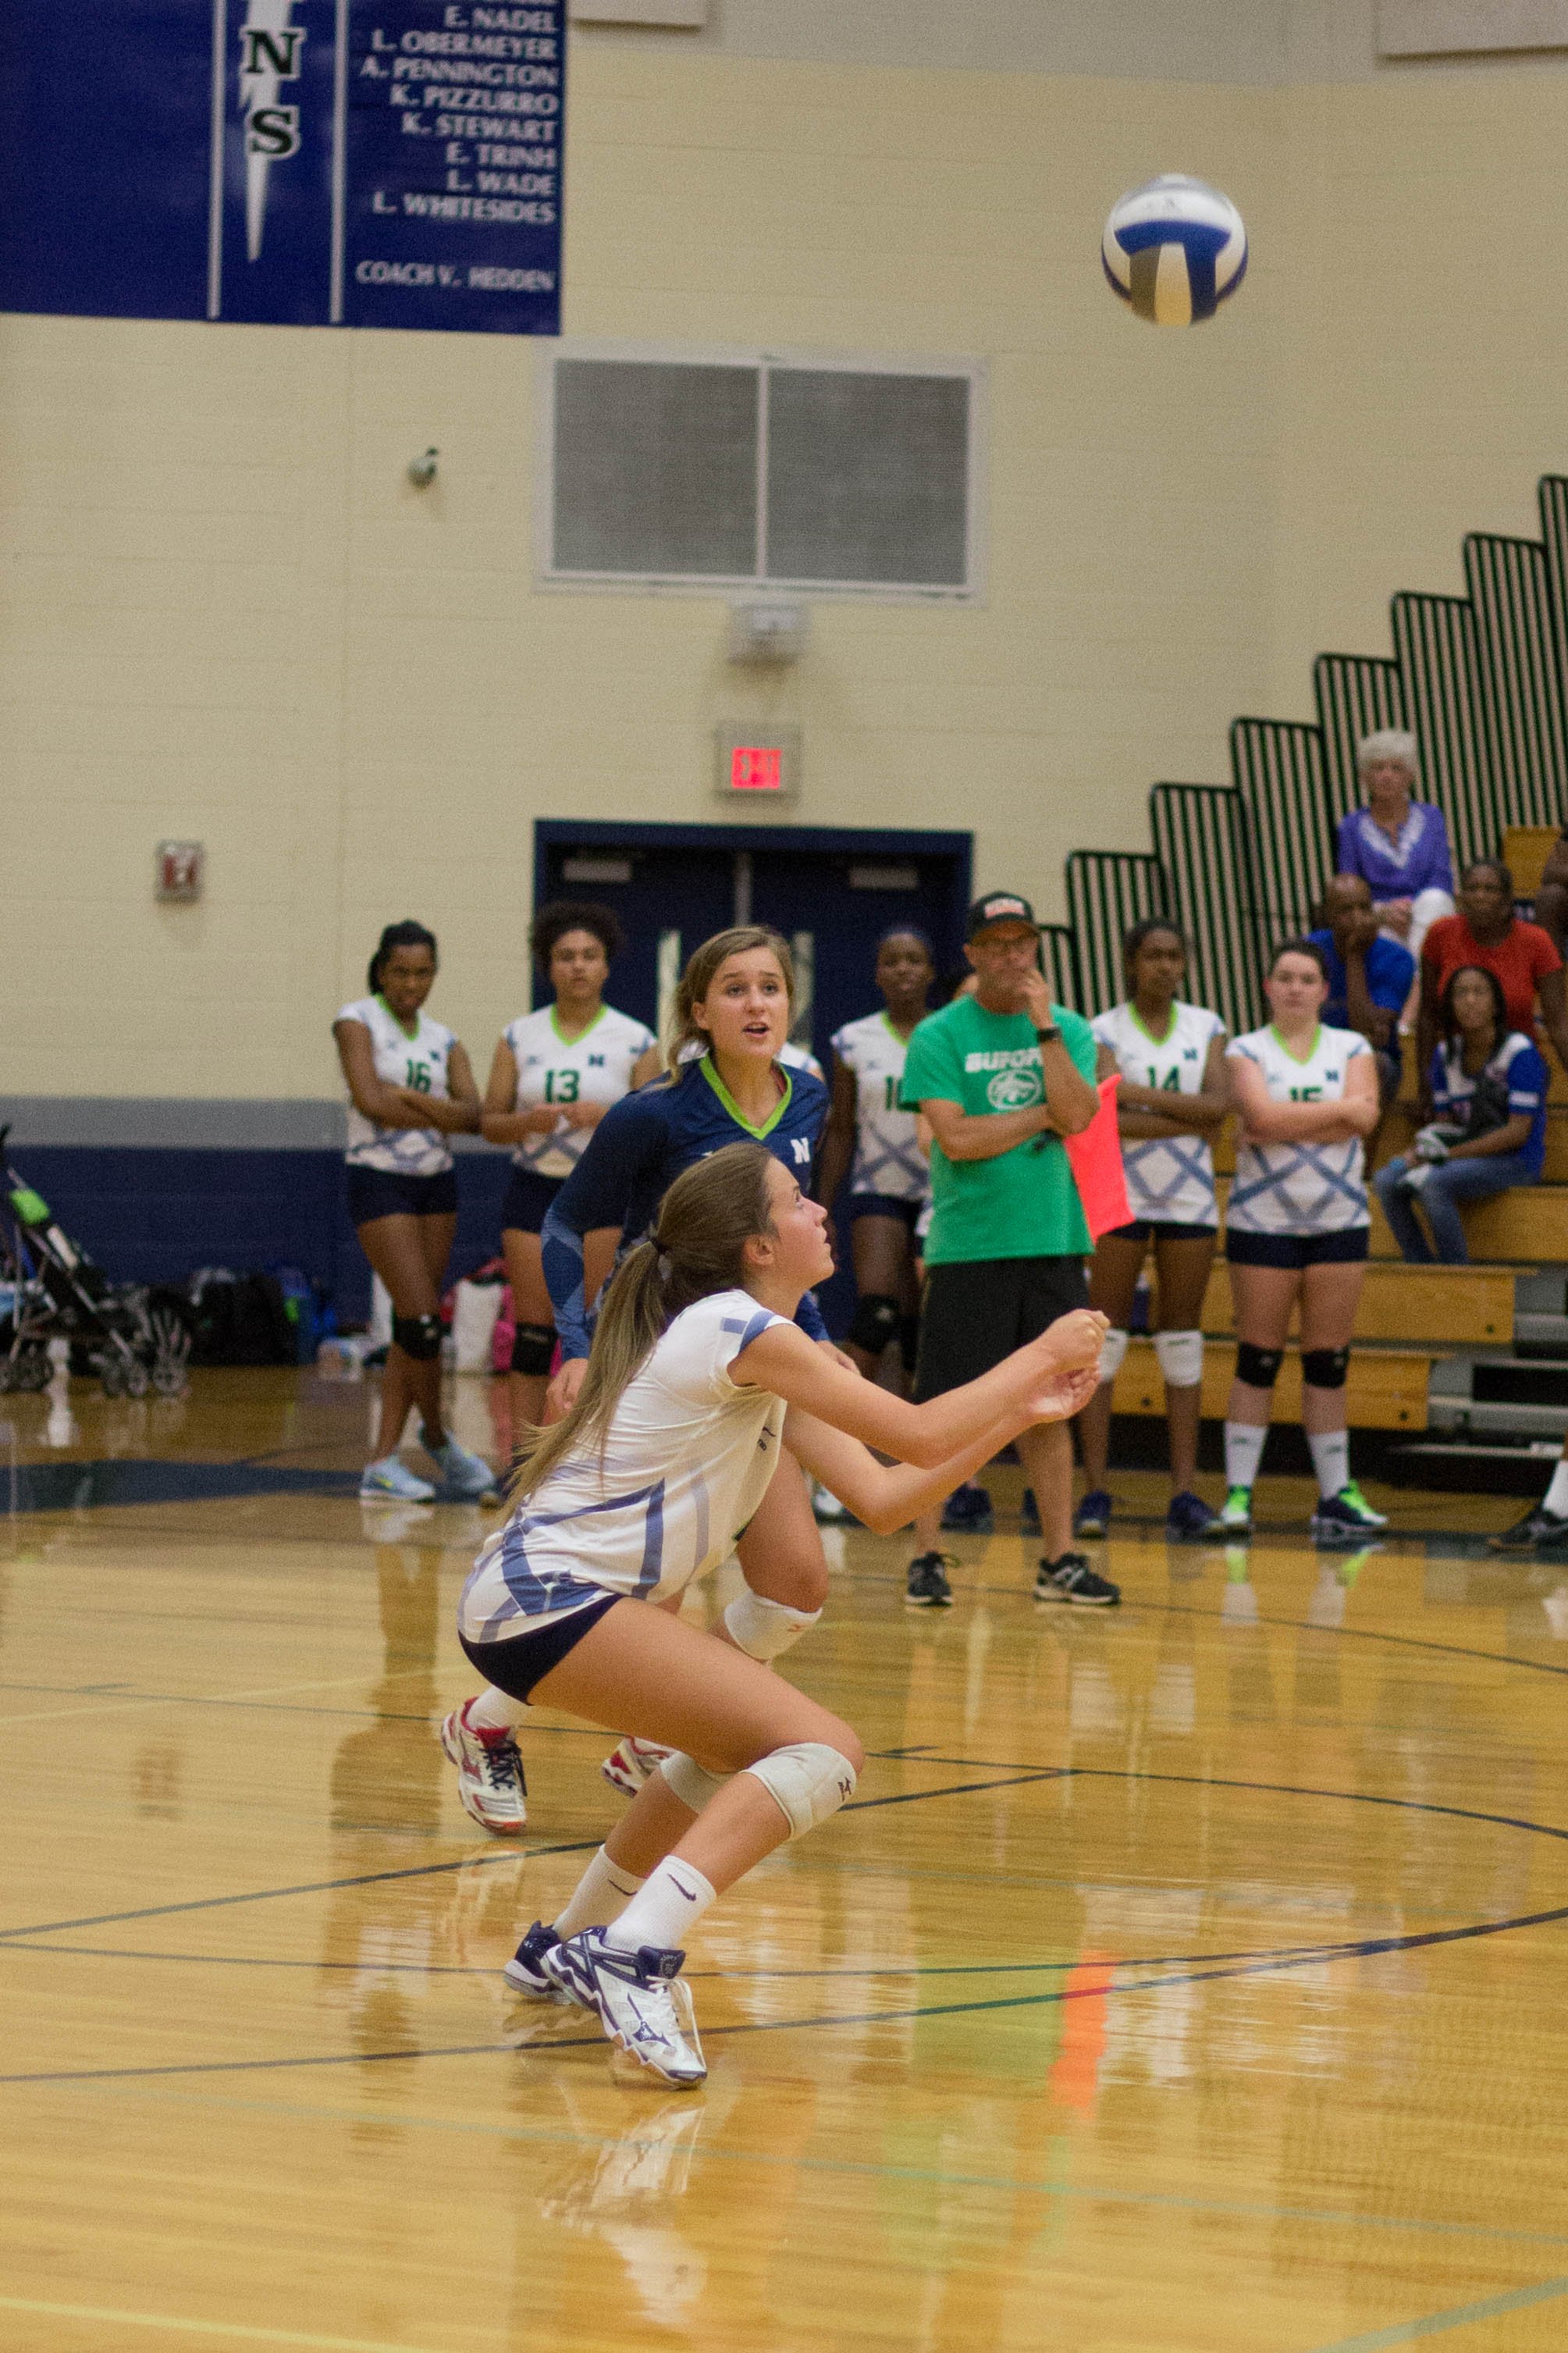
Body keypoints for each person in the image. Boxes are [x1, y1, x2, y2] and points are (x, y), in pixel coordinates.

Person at [466, 1141, 1105, 2084]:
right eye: (797, 1200)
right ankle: (634, 1951)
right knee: (820, 1750)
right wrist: (1038, 1351)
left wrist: (1021, 1413)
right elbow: (918, 1426)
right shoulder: (733, 1327)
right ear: (756, 1245)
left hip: (531, 1601)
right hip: (546, 1596)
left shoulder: (761, 1345)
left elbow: (888, 1496)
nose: (818, 1211)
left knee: (727, 1750)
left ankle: (566, 1942)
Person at [440, 927, 846, 1832]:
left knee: (793, 1586)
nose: (755, 1003)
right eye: (733, 988)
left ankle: (638, 1741)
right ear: (698, 1011)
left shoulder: (809, 1098)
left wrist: (816, 1337)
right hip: (662, 1368)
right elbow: (562, 1220)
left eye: (770, 987)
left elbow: (787, 1245)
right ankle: (484, 1724)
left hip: (760, 1365)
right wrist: (573, 1341)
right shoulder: (653, 1113)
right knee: (640, 1595)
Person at [898, 890, 1118, 1608]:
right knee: (941, 1407)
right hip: (968, 1245)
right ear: (971, 954)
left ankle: (1059, 1559)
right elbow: (955, 1140)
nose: (1009, 956)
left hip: (1053, 1239)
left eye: (1020, 942)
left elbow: (1080, 1116)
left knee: (1049, 1408)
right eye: (994, 943)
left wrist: (1046, 1031)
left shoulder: (1067, 1030)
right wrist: (1037, 1116)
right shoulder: (938, 1035)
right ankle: (926, 1554)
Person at [1219, 938, 1385, 1543]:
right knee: (1257, 1359)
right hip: (1261, 1222)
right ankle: (1238, 1494)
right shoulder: (1245, 1048)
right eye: (1283, 977)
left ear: (1323, 990)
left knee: (1327, 1362)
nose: (1294, 987)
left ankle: (1334, 1496)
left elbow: (1367, 1119)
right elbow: (1257, 1118)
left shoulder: (1352, 1045)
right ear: (1267, 987)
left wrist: (1284, 1118)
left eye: (1306, 978)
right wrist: (1334, 1111)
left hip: (1338, 1221)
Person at [333, 923, 497, 1505]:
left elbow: (474, 1116)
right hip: (379, 1179)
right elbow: (368, 1099)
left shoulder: (444, 1038)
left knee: (413, 1325)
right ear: (381, 971)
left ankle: (383, 1463)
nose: (411, 983)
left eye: (422, 972)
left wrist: (412, 1100)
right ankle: (434, 1436)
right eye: (400, 971)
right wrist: (440, 1110)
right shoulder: (356, 1020)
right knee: (423, 1319)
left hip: (436, 1184)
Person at [480, 902, 659, 1435]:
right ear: (548, 967)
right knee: (535, 1333)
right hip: (534, 1190)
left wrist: (609, 1115)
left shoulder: (636, 1039)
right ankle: (519, 1465)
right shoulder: (518, 1036)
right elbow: (489, 1122)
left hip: (602, 1195)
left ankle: (585, 1457)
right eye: (565, 957)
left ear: (606, 966)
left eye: (589, 956)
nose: (577, 966)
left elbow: (655, 1130)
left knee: (595, 1333)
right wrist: (524, 1121)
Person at [1079, 920, 1230, 1543]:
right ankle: (1094, 1491)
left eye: (1173, 956)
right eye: (1151, 956)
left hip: (1189, 1200)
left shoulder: (1207, 1026)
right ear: (1130, 962)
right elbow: (1103, 1114)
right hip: (1120, 1197)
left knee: (1182, 1342)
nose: (1163, 966)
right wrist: (1187, 1118)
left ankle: (1185, 1493)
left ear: (1185, 964)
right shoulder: (1102, 1029)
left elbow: (1219, 1106)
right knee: (1102, 1343)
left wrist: (1138, 1100)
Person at [814, 927, 937, 1389]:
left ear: (930, 971)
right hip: (877, 1186)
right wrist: (824, 1203)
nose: (903, 968)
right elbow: (842, 1128)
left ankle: (914, 1430)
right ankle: (845, 1417)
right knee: (878, 1309)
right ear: (878, 974)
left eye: (914, 959)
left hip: (942, 1189)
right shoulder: (852, 1039)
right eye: (892, 961)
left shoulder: (950, 1033)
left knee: (920, 1323)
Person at [1374, 966, 1548, 1265]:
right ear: (1451, 1006)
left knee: (1433, 1182)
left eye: (1479, 992)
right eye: (1460, 993)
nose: (1469, 1001)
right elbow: (1445, 1127)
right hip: (1462, 1154)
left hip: (1516, 1160)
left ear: (1495, 1004)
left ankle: (1457, 1274)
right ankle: (1421, 1265)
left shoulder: (1520, 1053)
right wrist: (1418, 1152)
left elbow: (1517, 1133)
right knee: (1386, 1179)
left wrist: (1446, 1157)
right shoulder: (1444, 1055)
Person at [1417, 861, 1568, 1119]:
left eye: (1490, 889)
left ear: (1509, 900)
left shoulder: (1536, 942)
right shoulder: (1440, 935)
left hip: (1518, 1065)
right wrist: (1424, 1082)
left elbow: (1558, 1023)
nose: (1480, 896)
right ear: (1461, 897)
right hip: (1456, 1064)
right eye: (1472, 888)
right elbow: (1429, 1015)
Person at [1335, 729, 1455, 958]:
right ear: (1364, 777)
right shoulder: (1351, 826)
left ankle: (1420, 983)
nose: (1387, 776)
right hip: (1377, 912)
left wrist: (1409, 908)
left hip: (1425, 910)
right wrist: (1384, 912)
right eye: (1378, 768)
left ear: (1410, 776)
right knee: (1383, 937)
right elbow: (1350, 885)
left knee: (1435, 900)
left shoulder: (1431, 817)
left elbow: (1441, 876)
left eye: (1396, 768)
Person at [1307, 874, 1415, 1110]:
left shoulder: (1397, 958)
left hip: (1372, 1059)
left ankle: (1363, 1148)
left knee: (1369, 1063)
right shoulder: (1308, 952)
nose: (1358, 918)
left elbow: (1365, 1034)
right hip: (1311, 1053)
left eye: (1364, 908)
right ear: (1328, 916)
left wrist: (1354, 956)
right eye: (1346, 910)